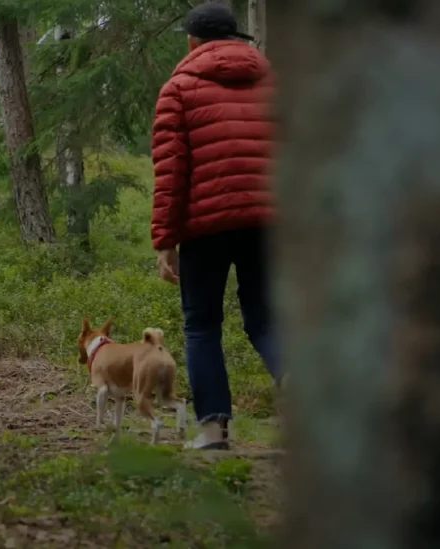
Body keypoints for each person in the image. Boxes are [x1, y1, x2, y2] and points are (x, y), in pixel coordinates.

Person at [150, 2, 279, 450]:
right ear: (237, 38)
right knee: (265, 318)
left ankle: (213, 430)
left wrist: (165, 240)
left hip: (204, 227)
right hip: (267, 220)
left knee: (202, 325)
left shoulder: (179, 88)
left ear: (191, 41)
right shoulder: (274, 84)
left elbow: (170, 172)